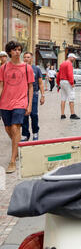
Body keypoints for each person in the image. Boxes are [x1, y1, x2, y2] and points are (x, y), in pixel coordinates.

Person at [0, 41, 34, 174]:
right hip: (5, 102)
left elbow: (31, 87)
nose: (17, 52)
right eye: (14, 50)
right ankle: (18, 147)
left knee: (15, 127)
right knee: (8, 129)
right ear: (9, 52)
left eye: (19, 50)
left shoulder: (27, 68)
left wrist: (29, 104)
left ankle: (12, 161)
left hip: (20, 102)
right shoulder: (3, 68)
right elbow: (1, 86)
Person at [21, 52, 45, 142]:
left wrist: (42, 95)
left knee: (34, 114)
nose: (26, 59)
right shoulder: (21, 68)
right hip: (22, 95)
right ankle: (25, 134)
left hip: (34, 94)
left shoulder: (36, 69)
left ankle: (35, 132)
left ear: (31, 59)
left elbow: (40, 83)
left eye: (28, 57)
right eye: (25, 57)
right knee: (24, 115)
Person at [56, 53, 80, 120]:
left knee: (63, 98)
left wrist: (58, 83)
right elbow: (70, 74)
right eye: (74, 58)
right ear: (70, 57)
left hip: (62, 81)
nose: (74, 59)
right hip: (67, 82)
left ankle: (62, 114)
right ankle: (72, 114)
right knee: (71, 97)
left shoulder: (62, 63)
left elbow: (58, 74)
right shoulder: (69, 64)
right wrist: (72, 83)